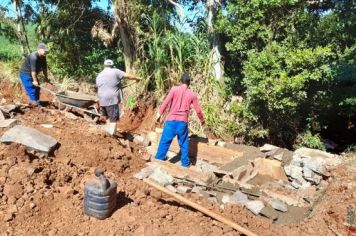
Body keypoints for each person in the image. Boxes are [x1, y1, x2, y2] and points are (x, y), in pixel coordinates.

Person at [155, 73, 205, 168]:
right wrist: (202, 121)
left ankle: (159, 159)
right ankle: (185, 163)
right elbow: (198, 110)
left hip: (171, 121)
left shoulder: (174, 89)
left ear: (181, 81)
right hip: (182, 123)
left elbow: (166, 102)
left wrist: (159, 114)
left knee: (165, 141)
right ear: (189, 83)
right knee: (184, 143)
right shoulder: (192, 94)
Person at [96, 59, 140, 135]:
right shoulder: (115, 71)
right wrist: (137, 78)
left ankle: (110, 133)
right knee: (113, 120)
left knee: (107, 117)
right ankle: (112, 136)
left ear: (104, 66)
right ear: (112, 66)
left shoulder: (99, 75)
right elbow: (128, 76)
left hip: (102, 100)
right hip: (112, 100)